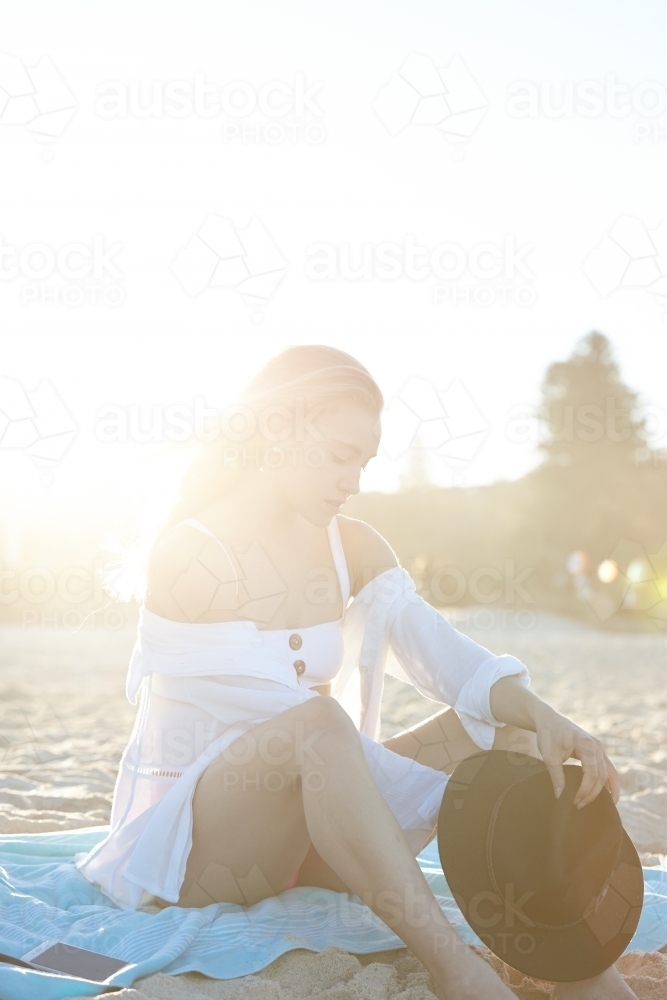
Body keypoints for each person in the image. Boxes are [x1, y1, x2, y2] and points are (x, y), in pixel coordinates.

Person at [77, 346, 637, 1000]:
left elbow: (442, 653)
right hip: (204, 856)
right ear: (277, 429)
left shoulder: (353, 547)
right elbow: (281, 723)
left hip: (318, 846)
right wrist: (429, 797)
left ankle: (560, 957)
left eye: (363, 463)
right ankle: (454, 969)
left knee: (505, 735)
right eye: (341, 456)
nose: (354, 480)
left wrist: (541, 716)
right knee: (318, 721)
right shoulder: (192, 557)